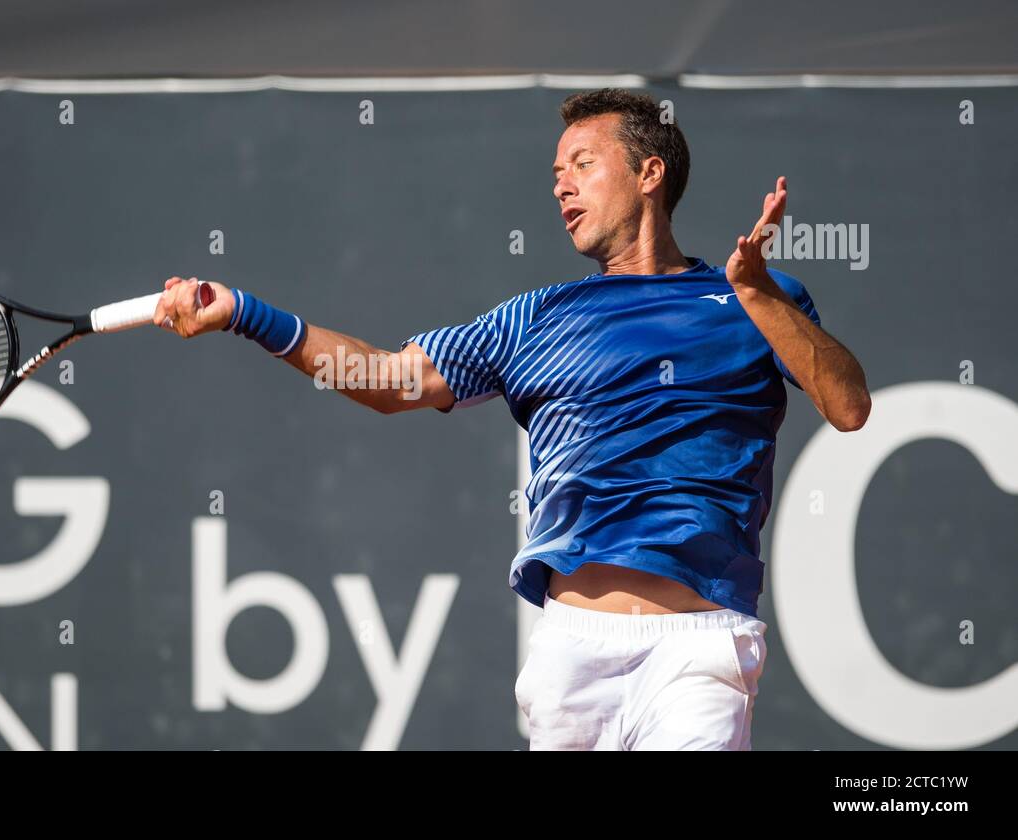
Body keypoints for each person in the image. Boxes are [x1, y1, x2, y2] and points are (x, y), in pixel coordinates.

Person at [152, 88, 871, 750]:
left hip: (699, 653)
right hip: (570, 658)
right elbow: (387, 379)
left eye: (583, 165)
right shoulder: (533, 319)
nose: (561, 185)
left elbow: (848, 407)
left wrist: (757, 292)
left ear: (650, 174)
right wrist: (246, 314)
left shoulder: (756, 302)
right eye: (556, 171)